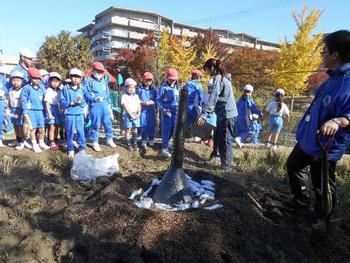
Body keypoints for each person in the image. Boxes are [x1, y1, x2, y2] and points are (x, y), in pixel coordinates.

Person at [286, 30, 350, 222]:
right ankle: (301, 204)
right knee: (293, 165)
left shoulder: (348, 81)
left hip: (325, 145)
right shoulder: (333, 78)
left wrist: (337, 121)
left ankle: (323, 222)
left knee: (322, 186)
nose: (321, 55)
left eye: (324, 51)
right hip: (310, 139)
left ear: (335, 55)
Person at [197, 59, 238, 170]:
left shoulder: (219, 79)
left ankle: (227, 166)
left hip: (226, 114)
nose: (207, 73)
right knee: (220, 139)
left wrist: (204, 114)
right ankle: (222, 161)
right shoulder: (224, 78)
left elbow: (213, 98)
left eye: (207, 70)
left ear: (212, 68)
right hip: (225, 114)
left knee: (225, 140)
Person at [83, 62, 116, 152]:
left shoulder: (103, 80)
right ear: (93, 70)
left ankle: (109, 138)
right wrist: (94, 98)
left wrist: (110, 105)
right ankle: (95, 141)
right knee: (95, 124)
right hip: (95, 105)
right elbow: (85, 94)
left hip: (104, 104)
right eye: (98, 71)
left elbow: (107, 93)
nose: (100, 73)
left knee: (107, 122)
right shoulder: (88, 81)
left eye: (102, 72)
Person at [21, 67, 49, 153]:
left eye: (38, 78)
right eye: (34, 78)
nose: (36, 80)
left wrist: (47, 111)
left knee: (42, 128)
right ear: (30, 77)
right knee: (32, 129)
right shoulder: (26, 88)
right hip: (31, 111)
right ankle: (34, 144)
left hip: (40, 111)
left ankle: (41, 142)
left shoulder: (42, 88)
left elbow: (46, 98)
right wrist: (24, 111)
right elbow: (24, 100)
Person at [60, 68, 87, 159]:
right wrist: (70, 103)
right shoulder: (65, 88)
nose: (75, 79)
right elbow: (62, 101)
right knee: (70, 132)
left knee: (81, 132)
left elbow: (84, 101)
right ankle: (70, 149)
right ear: (70, 77)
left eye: (78, 77)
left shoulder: (82, 89)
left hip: (79, 113)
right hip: (69, 114)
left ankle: (82, 149)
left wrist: (80, 102)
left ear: (80, 79)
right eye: (73, 77)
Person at [157, 68, 180, 158]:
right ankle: (164, 148)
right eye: (171, 79)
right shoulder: (163, 88)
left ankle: (170, 144)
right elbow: (158, 100)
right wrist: (163, 109)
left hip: (176, 112)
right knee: (166, 129)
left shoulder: (177, 87)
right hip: (167, 112)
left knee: (174, 129)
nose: (172, 81)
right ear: (167, 78)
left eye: (174, 80)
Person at [6, 71, 28, 150]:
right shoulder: (11, 90)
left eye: (18, 80)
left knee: (20, 127)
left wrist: (21, 113)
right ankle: (17, 140)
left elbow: (24, 102)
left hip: (20, 109)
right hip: (13, 109)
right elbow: (8, 101)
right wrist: (8, 109)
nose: (15, 82)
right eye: (14, 80)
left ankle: (21, 142)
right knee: (15, 126)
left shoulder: (23, 90)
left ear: (22, 81)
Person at [136, 71, 157, 148]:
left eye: (150, 80)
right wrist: (142, 102)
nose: (148, 82)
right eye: (147, 80)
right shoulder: (139, 89)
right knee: (143, 125)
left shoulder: (154, 90)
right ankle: (144, 139)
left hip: (151, 110)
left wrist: (153, 102)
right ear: (143, 80)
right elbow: (136, 99)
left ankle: (151, 139)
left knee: (152, 124)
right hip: (143, 110)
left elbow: (157, 100)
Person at [121, 78, 141, 151]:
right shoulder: (124, 96)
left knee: (135, 128)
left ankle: (135, 142)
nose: (131, 89)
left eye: (133, 87)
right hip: (128, 114)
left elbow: (139, 104)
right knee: (128, 129)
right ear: (126, 87)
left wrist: (139, 113)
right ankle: (128, 143)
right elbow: (124, 105)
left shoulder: (136, 96)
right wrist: (130, 114)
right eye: (130, 87)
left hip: (136, 114)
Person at [44, 72, 62, 150]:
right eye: (53, 81)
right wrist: (49, 113)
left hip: (57, 109)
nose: (55, 83)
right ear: (49, 81)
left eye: (56, 81)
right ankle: (51, 141)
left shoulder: (60, 90)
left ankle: (55, 139)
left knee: (57, 125)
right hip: (51, 108)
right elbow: (47, 102)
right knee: (52, 125)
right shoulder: (48, 90)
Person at [0, 74, 7, 147]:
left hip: (0, 101)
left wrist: (3, 92)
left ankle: (0, 138)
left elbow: (7, 90)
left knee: (0, 120)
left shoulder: (2, 78)